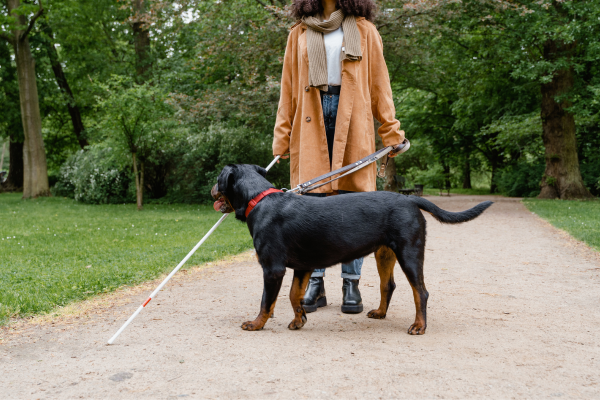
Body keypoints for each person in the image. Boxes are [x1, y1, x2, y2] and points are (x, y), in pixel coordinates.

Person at [272, 0, 406, 314]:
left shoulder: (365, 30)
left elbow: (379, 85)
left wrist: (390, 130)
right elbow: (288, 89)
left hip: (354, 118)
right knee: (311, 204)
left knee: (354, 203)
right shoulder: (299, 32)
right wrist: (281, 138)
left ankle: (351, 282)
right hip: (311, 118)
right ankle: (314, 283)